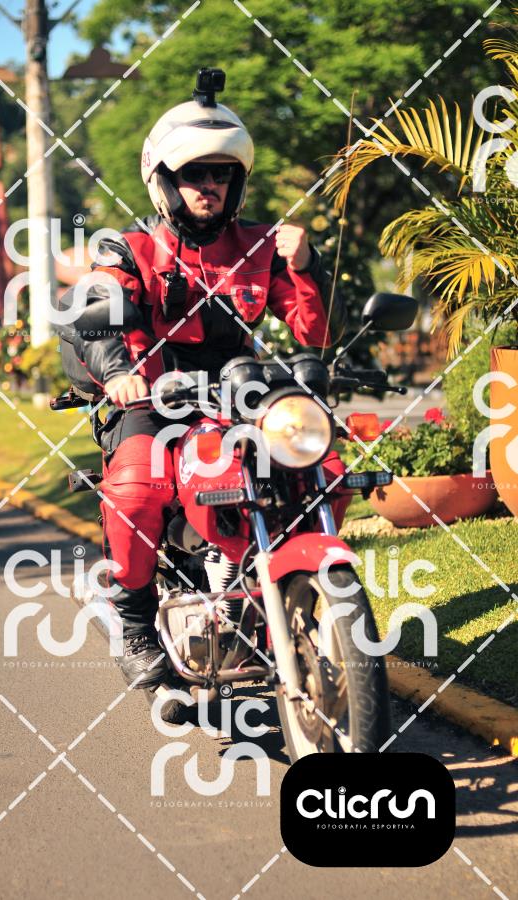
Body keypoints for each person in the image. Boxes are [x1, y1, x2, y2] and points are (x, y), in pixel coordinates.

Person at [71, 76, 348, 689]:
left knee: (321, 466)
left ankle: (282, 591)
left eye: (222, 175)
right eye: (195, 174)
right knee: (137, 488)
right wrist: (119, 373)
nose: (210, 186)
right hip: (152, 398)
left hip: (240, 397)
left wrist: (306, 267)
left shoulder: (263, 246)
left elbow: (316, 332)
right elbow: (93, 315)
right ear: (165, 181)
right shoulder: (129, 249)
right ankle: (136, 623)